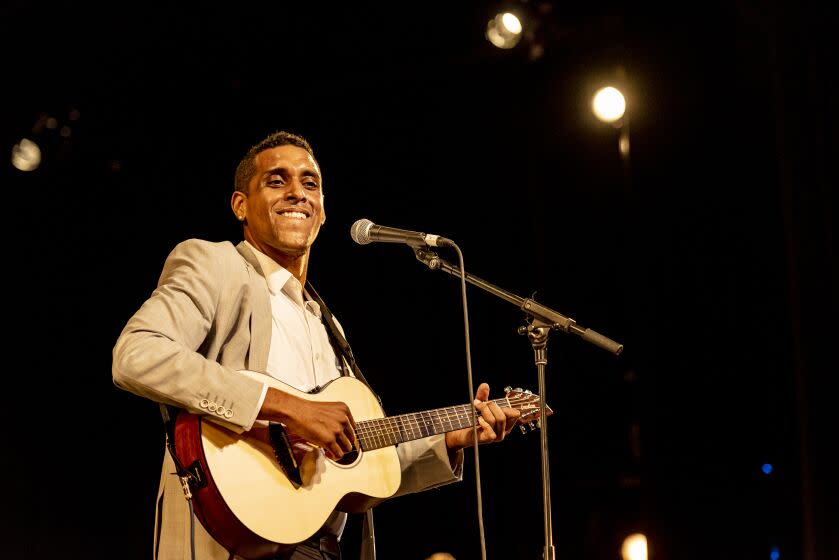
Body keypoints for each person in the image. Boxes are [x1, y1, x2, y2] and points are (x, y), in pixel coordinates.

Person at [111, 130, 522, 560]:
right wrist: (288, 407)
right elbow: (138, 353)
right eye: (276, 181)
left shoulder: (329, 328)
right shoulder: (216, 265)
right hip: (232, 534)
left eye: (310, 184)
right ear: (240, 206)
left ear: (322, 211)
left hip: (321, 545)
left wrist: (449, 440)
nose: (297, 193)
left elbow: (356, 460)